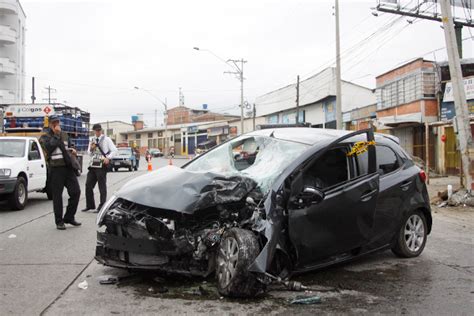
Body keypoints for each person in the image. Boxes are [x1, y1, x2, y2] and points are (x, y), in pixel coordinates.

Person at [39, 115, 81, 230]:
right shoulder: (45, 136)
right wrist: (56, 135)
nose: (56, 124)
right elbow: (48, 148)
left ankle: (69, 217)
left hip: (68, 167)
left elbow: (70, 145)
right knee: (57, 197)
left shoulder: (65, 134)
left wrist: (73, 149)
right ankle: (59, 221)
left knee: (76, 192)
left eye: (57, 122)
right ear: (50, 124)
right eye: (54, 123)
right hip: (56, 169)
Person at [82, 124, 117, 213]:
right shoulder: (92, 139)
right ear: (94, 131)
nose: (98, 132)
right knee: (88, 185)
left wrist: (108, 158)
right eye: (96, 130)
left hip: (101, 165)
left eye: (99, 130)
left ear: (101, 130)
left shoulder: (106, 139)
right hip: (93, 165)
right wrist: (91, 149)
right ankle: (90, 205)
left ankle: (102, 206)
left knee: (102, 186)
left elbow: (114, 150)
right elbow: (89, 153)